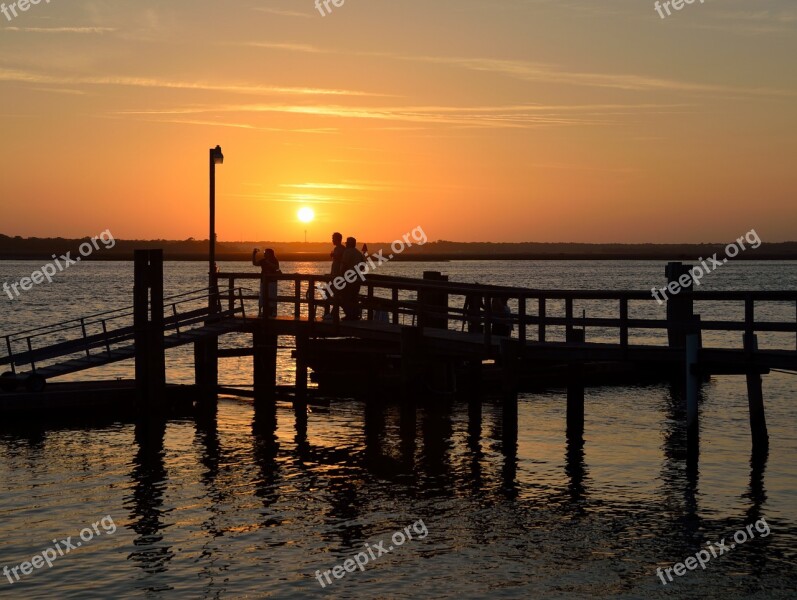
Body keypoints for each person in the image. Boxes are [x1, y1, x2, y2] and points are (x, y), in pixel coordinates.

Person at [341, 236, 366, 320]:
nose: (346, 244)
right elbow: (363, 266)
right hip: (357, 278)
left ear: (349, 244)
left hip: (348, 278)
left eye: (347, 243)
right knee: (354, 297)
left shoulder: (347, 252)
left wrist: (341, 276)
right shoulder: (358, 253)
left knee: (345, 297)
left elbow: (344, 265)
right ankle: (355, 315)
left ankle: (349, 315)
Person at [322, 232, 345, 320]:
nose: (332, 240)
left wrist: (334, 255)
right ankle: (332, 313)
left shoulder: (341, 249)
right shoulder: (337, 248)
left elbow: (342, 261)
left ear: (338, 239)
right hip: (334, 275)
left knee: (332, 294)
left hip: (338, 276)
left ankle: (331, 314)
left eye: (333, 238)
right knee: (333, 294)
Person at [253, 248, 281, 317]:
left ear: (270, 253)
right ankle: (261, 311)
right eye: (264, 252)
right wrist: (253, 255)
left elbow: (277, 267)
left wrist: (269, 263)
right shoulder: (263, 260)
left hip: (272, 282)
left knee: (272, 295)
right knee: (262, 295)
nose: (264, 253)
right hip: (264, 281)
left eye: (266, 252)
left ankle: (273, 311)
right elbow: (255, 263)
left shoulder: (274, 260)